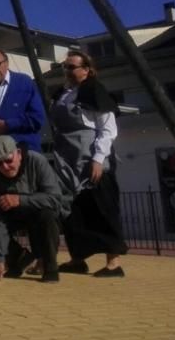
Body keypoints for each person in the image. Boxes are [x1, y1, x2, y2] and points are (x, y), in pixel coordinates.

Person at [51, 50, 128, 277]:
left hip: (90, 155)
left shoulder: (95, 91)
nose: (68, 71)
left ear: (87, 69)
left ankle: (113, 263)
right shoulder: (62, 94)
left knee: (103, 207)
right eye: (65, 66)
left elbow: (107, 129)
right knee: (74, 211)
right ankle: (78, 259)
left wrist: (98, 159)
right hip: (67, 156)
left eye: (72, 66)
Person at [0, 135, 66, 283]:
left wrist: (20, 200)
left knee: (47, 216)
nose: (5, 167)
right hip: (13, 215)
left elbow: (55, 198)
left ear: (18, 153)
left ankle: (50, 266)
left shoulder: (37, 161)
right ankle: (19, 257)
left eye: (8, 160)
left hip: (39, 211)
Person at [0, 49, 46, 158]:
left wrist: (7, 125)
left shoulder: (24, 83)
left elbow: (37, 118)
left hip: (23, 152)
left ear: (6, 63)